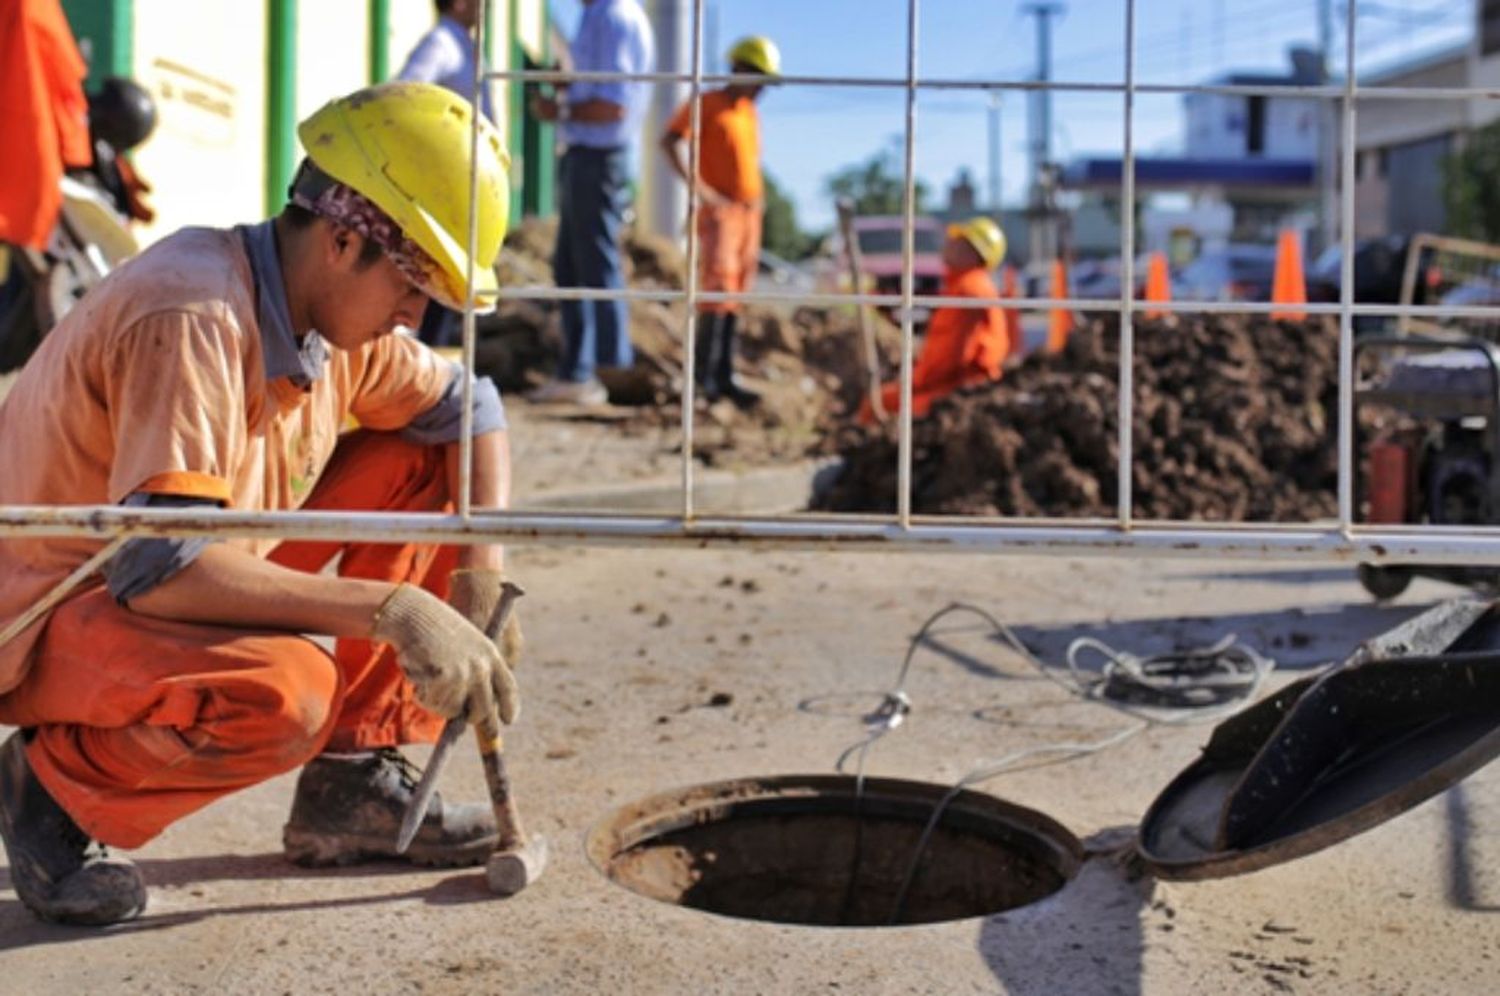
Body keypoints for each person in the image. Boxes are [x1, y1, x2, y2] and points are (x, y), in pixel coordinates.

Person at [0, 81, 523, 927]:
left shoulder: (336, 324)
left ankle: (352, 784)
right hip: (52, 609)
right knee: (284, 693)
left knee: (423, 459)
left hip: (157, 572)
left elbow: (476, 410)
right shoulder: (192, 310)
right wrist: (393, 610)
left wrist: (479, 572)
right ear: (345, 239)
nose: (416, 314)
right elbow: (158, 569)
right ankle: (52, 794)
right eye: (414, 280)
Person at [528, 0, 655, 407]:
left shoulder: (611, 16)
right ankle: (579, 371)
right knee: (571, 265)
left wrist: (559, 107)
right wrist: (568, 85)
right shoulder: (597, 15)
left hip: (598, 157)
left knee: (596, 264)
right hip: (588, 155)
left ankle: (611, 368)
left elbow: (613, 104)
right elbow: (599, 90)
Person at [660, 35, 780, 409]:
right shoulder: (707, 104)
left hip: (749, 213)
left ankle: (725, 377)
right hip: (721, 213)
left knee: (736, 293)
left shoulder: (749, 112)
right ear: (740, 70)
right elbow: (670, 140)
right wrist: (702, 191)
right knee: (715, 291)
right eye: (758, 78)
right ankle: (703, 380)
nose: (762, 89)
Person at [396, 0, 494, 348]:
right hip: (445, 180)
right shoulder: (442, 43)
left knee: (452, 274)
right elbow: (404, 93)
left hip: (465, 182)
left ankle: (431, 352)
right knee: (435, 269)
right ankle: (420, 353)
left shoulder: (467, 46)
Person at [858, 217, 1010, 423]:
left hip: (958, 389)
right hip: (960, 383)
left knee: (877, 404)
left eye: (959, 240)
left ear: (973, 252)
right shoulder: (967, 286)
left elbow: (950, 358)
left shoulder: (969, 290)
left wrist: (913, 382)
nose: (949, 243)